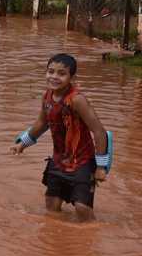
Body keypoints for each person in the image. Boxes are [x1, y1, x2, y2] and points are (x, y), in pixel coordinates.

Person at [10, 54, 111, 222]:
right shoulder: (47, 97)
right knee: (51, 206)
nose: (54, 77)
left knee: (82, 209)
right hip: (59, 161)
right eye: (51, 71)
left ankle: (89, 239)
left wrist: (101, 167)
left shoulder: (77, 100)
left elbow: (99, 131)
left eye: (61, 73)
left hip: (82, 162)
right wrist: (23, 144)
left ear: (72, 77)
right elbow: (42, 123)